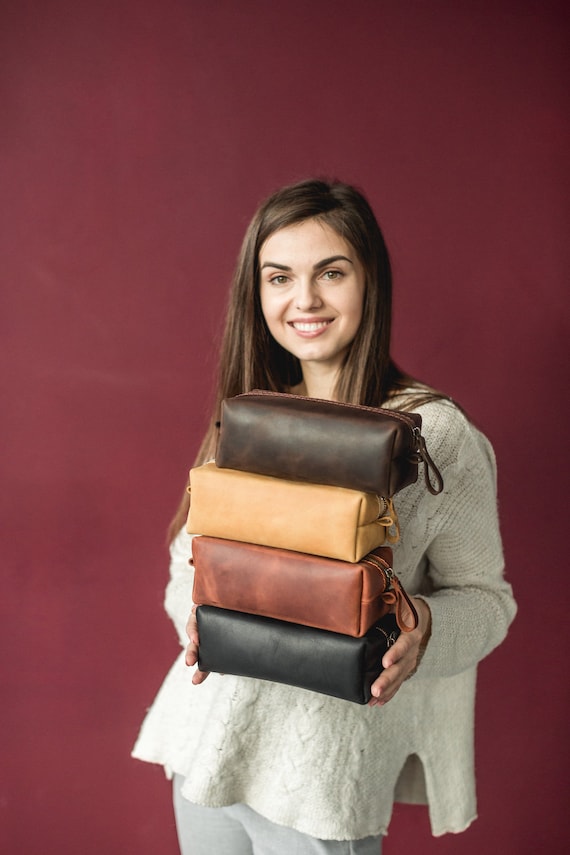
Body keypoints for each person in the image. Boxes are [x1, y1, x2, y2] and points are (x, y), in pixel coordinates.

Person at [132, 179, 517, 854]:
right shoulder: (251, 415)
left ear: (370, 282)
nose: (303, 300)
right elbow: (187, 563)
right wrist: (195, 615)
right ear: (258, 293)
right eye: (279, 277)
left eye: (330, 273)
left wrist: (423, 626)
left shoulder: (434, 433)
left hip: (321, 781)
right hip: (205, 750)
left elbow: (487, 601)